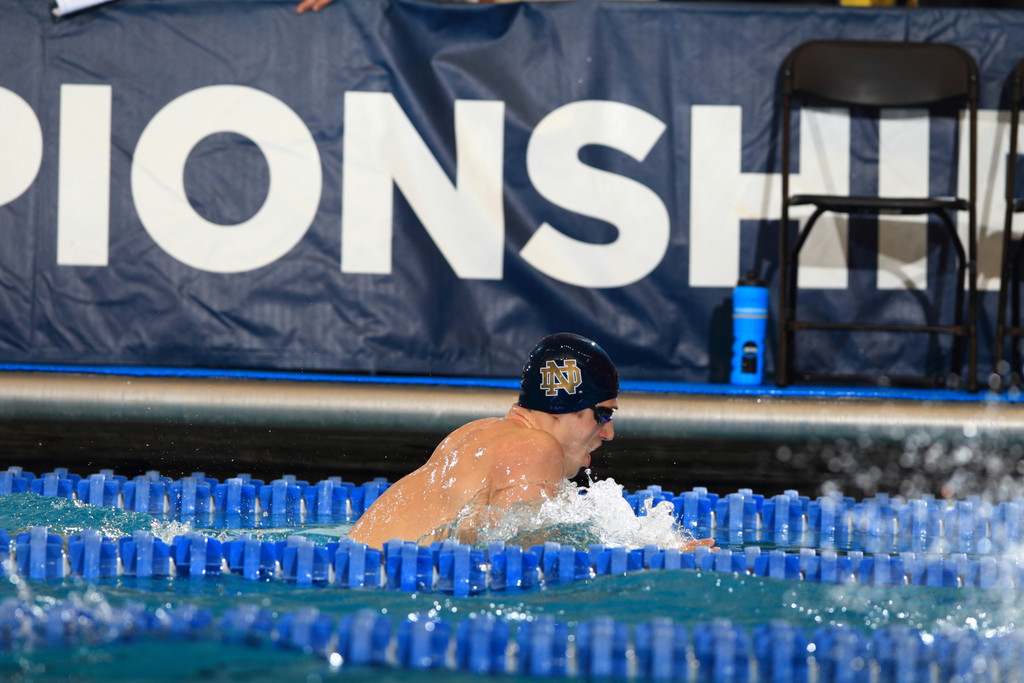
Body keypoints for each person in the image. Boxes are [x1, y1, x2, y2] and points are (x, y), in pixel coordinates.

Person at [346, 332, 715, 552]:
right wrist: (647, 560)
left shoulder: (477, 433)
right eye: (602, 414)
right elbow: (523, 556)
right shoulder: (534, 448)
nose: (609, 432)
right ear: (561, 407)